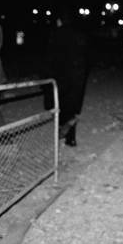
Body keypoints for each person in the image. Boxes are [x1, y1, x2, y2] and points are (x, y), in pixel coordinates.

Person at [43, 10, 89, 147]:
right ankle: (71, 138)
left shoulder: (56, 34)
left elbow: (49, 58)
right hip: (77, 78)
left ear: (59, 21)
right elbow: (87, 57)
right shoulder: (80, 35)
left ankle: (59, 132)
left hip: (60, 78)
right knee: (72, 108)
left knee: (57, 106)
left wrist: (45, 78)